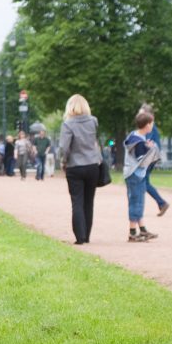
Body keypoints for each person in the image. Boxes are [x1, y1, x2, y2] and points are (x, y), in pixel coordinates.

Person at [59, 94, 102, 245]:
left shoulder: (67, 124)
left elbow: (64, 148)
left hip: (75, 166)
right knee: (89, 202)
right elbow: (95, 143)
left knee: (77, 201)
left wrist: (63, 161)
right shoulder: (93, 121)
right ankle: (87, 235)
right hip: (92, 165)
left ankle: (80, 237)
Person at [123, 110, 161, 242]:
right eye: (152, 124)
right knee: (136, 202)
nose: (152, 126)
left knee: (138, 201)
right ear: (147, 125)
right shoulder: (138, 142)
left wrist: (147, 146)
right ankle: (132, 232)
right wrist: (150, 149)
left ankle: (142, 229)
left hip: (134, 174)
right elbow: (141, 159)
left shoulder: (134, 136)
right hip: (135, 174)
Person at [139, 103, 170, 217]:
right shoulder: (149, 127)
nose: (139, 116)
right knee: (143, 182)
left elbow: (149, 144)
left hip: (149, 158)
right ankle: (161, 203)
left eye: (141, 113)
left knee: (143, 182)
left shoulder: (150, 127)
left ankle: (161, 203)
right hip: (150, 158)